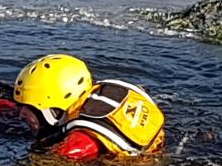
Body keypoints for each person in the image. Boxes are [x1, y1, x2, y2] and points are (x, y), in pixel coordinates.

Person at [11, 54, 165, 160]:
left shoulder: (79, 144)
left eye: (27, 107)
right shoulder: (112, 91)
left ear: (51, 109)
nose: (21, 114)